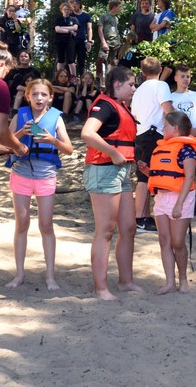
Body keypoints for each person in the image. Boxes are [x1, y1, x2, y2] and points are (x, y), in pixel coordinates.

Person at [4, 79, 74, 290]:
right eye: (35, 94)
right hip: (21, 174)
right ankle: (19, 275)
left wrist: (52, 140)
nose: (39, 98)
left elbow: (69, 149)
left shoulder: (56, 118)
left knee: (46, 225)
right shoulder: (20, 116)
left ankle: (50, 277)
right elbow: (5, 141)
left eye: (44, 94)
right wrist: (20, 134)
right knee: (22, 224)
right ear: (28, 97)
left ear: (50, 97)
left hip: (46, 176)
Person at [81, 66, 142, 300]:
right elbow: (87, 133)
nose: (134, 89)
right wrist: (113, 153)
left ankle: (126, 282)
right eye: (131, 84)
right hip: (104, 171)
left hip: (121, 172)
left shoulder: (121, 106)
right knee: (105, 230)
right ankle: (101, 288)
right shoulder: (105, 105)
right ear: (117, 84)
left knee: (128, 227)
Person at [140, 110, 196, 294]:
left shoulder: (187, 149)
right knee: (164, 241)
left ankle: (183, 279)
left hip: (180, 198)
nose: (162, 128)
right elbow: (161, 175)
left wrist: (179, 204)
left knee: (177, 242)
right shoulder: (161, 147)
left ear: (175, 128)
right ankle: (169, 282)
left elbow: (189, 177)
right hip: (161, 198)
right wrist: (146, 171)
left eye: (165, 125)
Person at [131, 57, 175, 233]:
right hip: (153, 134)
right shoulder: (161, 86)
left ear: (142, 73)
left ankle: (144, 216)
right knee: (145, 177)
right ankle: (140, 219)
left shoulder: (138, 90)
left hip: (140, 133)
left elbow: (135, 115)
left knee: (145, 175)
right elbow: (168, 109)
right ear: (160, 69)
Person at [170, 64, 196, 218]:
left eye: (188, 76)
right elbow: (171, 119)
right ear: (176, 78)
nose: (185, 79)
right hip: (180, 140)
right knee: (182, 172)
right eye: (182, 76)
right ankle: (179, 204)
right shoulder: (171, 97)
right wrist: (186, 131)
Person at [97, 0, 123, 80]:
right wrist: (103, 42)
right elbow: (100, 30)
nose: (121, 8)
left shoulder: (116, 18)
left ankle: (111, 79)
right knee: (101, 58)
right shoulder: (104, 16)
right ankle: (98, 78)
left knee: (113, 63)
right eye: (120, 6)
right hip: (106, 42)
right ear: (114, 7)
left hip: (116, 43)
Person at [68, 0, 93, 77]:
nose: (74, 8)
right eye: (72, 6)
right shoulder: (70, 15)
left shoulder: (86, 16)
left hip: (82, 40)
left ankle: (82, 79)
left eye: (75, 6)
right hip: (71, 40)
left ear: (78, 5)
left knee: (81, 61)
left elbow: (89, 29)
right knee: (70, 60)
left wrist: (89, 41)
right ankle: (71, 78)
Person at [54, 2, 78, 76]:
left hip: (70, 41)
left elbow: (75, 28)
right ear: (61, 10)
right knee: (60, 59)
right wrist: (69, 31)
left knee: (71, 60)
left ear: (70, 10)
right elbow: (57, 29)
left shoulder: (73, 19)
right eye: (64, 9)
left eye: (68, 9)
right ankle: (60, 75)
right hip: (60, 41)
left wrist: (62, 27)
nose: (66, 11)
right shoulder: (58, 19)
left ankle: (73, 76)